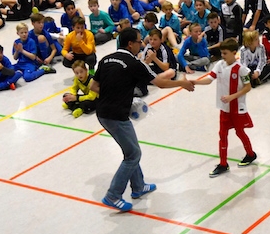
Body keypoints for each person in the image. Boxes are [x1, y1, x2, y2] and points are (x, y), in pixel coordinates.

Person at [89, 28, 195, 211]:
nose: (142, 44)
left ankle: (138, 186)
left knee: (131, 149)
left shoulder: (106, 59)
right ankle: (113, 195)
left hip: (103, 113)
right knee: (133, 155)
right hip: (116, 116)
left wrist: (114, 97)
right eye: (140, 41)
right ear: (130, 44)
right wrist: (181, 83)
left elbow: (93, 86)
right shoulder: (134, 63)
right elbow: (160, 83)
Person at [193, 37, 258, 178]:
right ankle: (223, 164)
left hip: (237, 108)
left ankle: (250, 154)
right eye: (221, 53)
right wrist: (194, 82)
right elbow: (209, 79)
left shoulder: (241, 69)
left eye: (225, 53)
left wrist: (232, 97)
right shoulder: (219, 65)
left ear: (234, 53)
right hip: (224, 108)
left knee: (239, 132)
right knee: (222, 134)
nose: (222, 56)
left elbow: (247, 87)